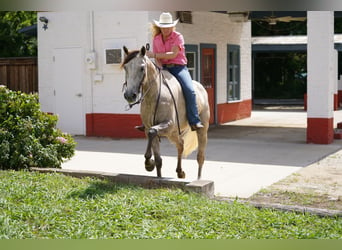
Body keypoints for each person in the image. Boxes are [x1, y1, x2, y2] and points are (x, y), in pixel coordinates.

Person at [143, 12, 204, 131]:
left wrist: (153, 54)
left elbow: (174, 54)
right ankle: (147, 121)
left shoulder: (178, 37)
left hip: (179, 67)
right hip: (163, 67)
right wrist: (159, 67)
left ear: (172, 26)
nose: (166, 29)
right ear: (160, 27)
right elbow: (157, 59)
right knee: (149, 88)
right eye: (163, 27)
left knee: (190, 90)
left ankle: (194, 120)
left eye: (168, 27)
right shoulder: (156, 39)